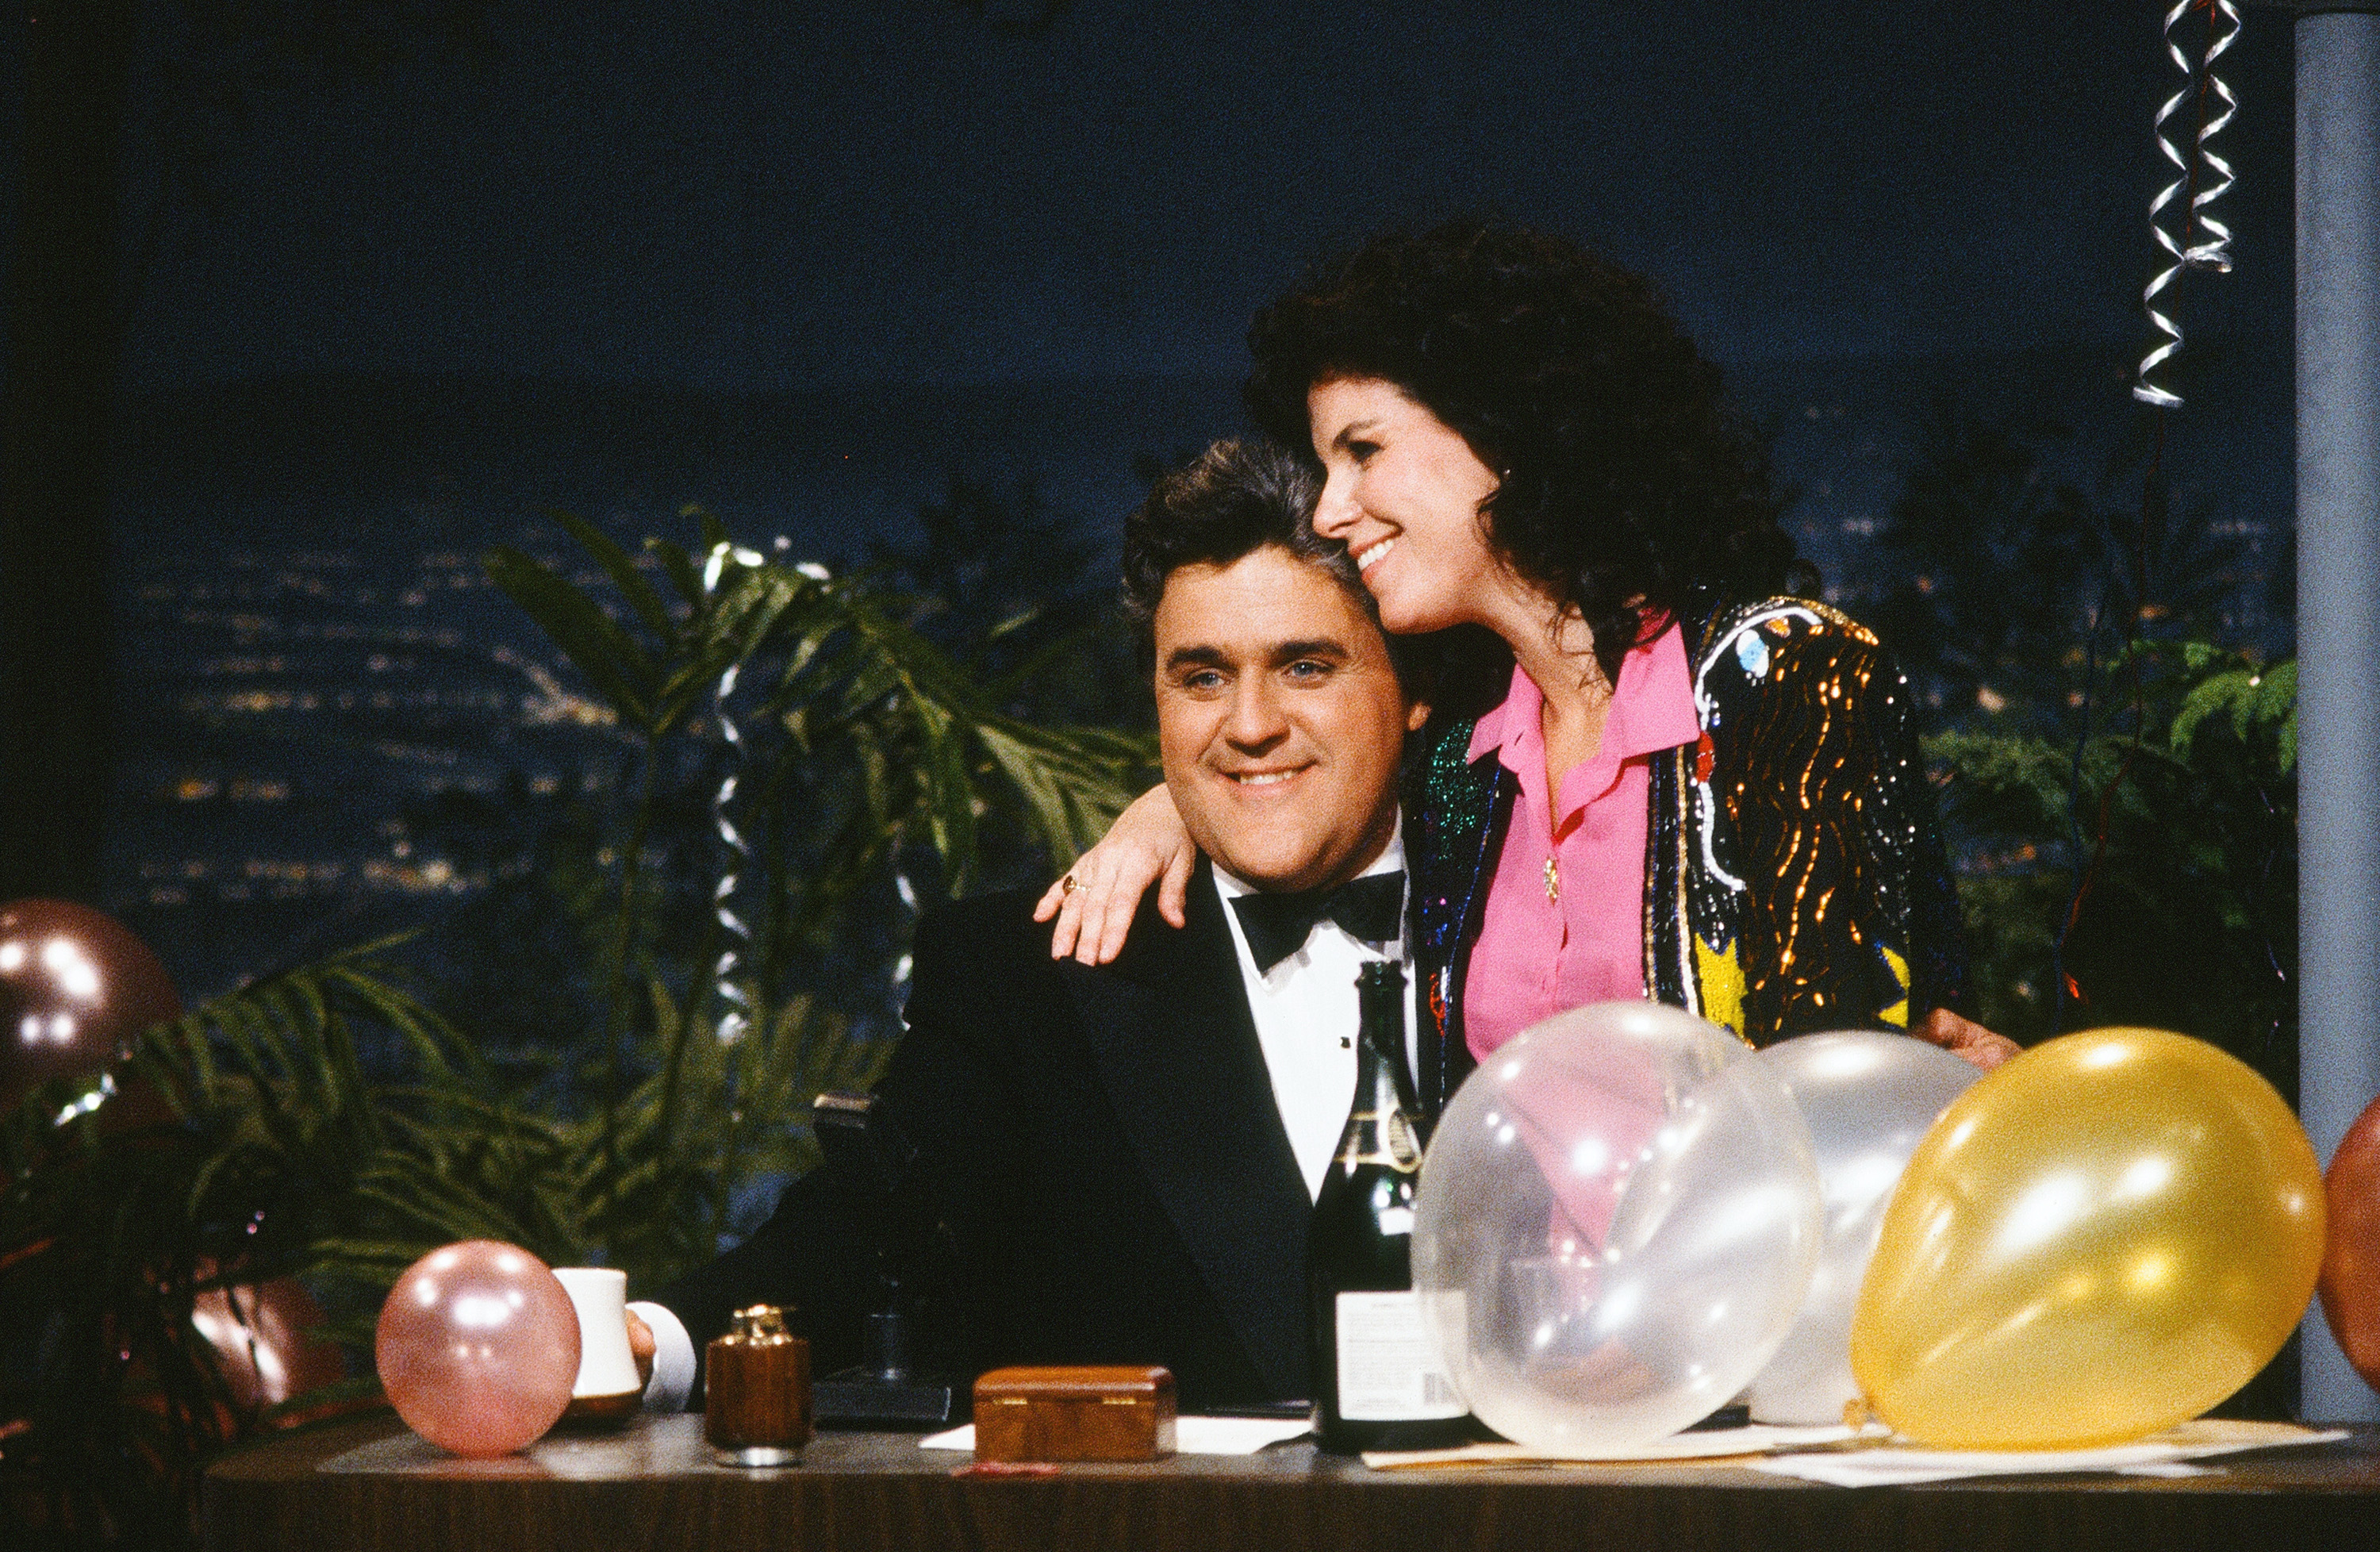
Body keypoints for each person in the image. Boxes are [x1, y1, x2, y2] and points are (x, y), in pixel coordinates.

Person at [1038, 219, 2017, 1112]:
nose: (1331, 510)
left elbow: (1845, 1088)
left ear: (1506, 433)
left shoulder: (1779, 677)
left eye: (1363, 450)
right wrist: (1160, 812)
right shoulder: (1466, 748)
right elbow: (1292, 770)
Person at [627, 438, 1435, 1411]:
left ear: (1416, 691)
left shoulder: (1534, 914)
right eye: (1203, 677)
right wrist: (644, 1343)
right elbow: (867, 1232)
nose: (1250, 722)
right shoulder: (1028, 973)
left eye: (1306, 667)